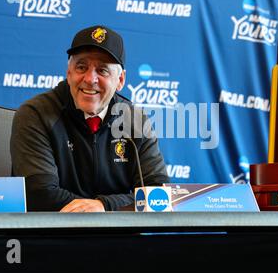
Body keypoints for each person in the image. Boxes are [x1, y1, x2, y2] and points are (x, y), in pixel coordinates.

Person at [10, 25, 169, 212]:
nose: (90, 78)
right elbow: (40, 193)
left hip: (119, 236)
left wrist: (105, 206)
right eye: (81, 67)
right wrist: (107, 209)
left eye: (102, 70)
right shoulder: (36, 114)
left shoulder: (135, 120)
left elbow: (158, 195)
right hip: (55, 235)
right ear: (69, 73)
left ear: (120, 80)